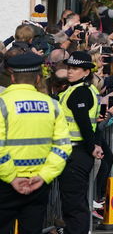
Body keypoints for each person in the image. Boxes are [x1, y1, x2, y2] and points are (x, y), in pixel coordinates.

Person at [0, 53, 72, 233]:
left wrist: (12, 177)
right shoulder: (53, 105)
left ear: (13, 77)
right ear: (38, 77)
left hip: (5, 183)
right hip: (37, 183)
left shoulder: (2, 104)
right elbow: (63, 146)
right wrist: (45, 175)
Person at [58, 51, 104, 234]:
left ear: (86, 72)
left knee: (74, 204)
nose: (69, 71)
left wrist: (92, 146)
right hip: (74, 151)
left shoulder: (80, 92)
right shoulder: (77, 89)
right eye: (69, 67)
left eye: (75, 68)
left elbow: (84, 122)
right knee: (73, 202)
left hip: (77, 152)